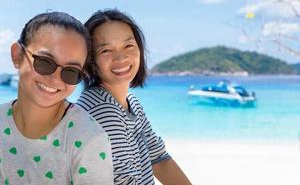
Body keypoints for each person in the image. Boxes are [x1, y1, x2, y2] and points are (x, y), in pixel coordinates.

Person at [77, 9, 191, 184]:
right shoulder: (102, 111)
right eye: (106, 50)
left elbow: (159, 159)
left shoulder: (130, 101)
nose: (121, 57)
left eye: (128, 45)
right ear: (90, 60)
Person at [0, 12, 113, 184]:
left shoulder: (89, 139)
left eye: (71, 72)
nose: (55, 78)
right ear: (17, 55)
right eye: (45, 62)